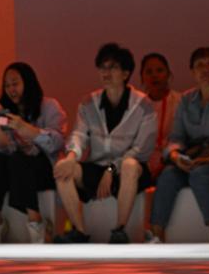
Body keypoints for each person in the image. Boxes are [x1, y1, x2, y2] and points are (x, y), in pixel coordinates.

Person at [53, 43, 157, 244]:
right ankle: (79, 231)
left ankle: (120, 230)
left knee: (129, 165)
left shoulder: (143, 105)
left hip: (129, 168)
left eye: (113, 67)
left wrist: (112, 168)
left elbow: (142, 149)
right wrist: (71, 157)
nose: (106, 73)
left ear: (126, 73)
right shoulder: (88, 102)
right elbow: (79, 135)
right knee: (63, 168)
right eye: (102, 67)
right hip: (98, 167)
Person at [149, 48, 209, 243]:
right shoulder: (186, 100)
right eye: (199, 65)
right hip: (194, 160)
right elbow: (176, 137)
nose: (205, 69)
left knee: (200, 174)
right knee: (168, 175)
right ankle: (156, 234)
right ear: (192, 72)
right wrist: (176, 156)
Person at [0, 62, 67, 243]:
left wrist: (26, 129)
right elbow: (2, 148)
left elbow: (57, 143)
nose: (11, 90)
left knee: (18, 160)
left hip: (46, 167)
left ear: (28, 82)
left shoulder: (49, 106)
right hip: (17, 168)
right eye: (7, 85)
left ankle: (36, 222)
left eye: (15, 84)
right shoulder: (7, 112)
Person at [140, 53, 182, 181]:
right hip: (143, 163)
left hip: (172, 159)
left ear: (168, 74)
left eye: (159, 70)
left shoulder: (180, 101)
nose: (154, 75)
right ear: (142, 77)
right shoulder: (137, 105)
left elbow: (183, 139)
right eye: (149, 72)